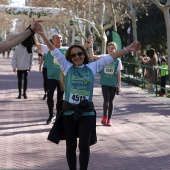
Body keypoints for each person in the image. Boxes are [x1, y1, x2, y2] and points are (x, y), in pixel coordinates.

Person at [36, 22, 140, 170]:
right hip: (69, 113)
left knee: (84, 146)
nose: (77, 56)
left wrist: (127, 49)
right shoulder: (67, 67)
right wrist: (42, 34)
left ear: (83, 55)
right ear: (70, 58)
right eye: (73, 55)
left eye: (79, 54)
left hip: (87, 112)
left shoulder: (92, 67)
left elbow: (110, 57)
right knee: (70, 146)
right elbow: (53, 49)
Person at [89, 41, 122, 126]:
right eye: (109, 48)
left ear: (115, 49)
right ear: (107, 49)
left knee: (111, 101)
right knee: (106, 100)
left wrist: (119, 85)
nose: (111, 50)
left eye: (112, 48)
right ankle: (104, 116)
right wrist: (91, 45)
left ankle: (109, 119)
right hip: (104, 82)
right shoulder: (103, 57)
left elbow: (118, 73)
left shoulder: (117, 60)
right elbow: (92, 56)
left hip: (113, 83)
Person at [11, 31, 34, 99]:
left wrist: (30, 66)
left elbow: (31, 58)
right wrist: (14, 67)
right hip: (19, 68)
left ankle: (24, 93)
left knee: (25, 80)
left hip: (26, 67)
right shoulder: (17, 48)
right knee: (20, 81)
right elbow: (14, 58)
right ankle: (19, 93)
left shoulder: (29, 48)